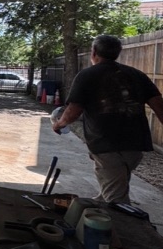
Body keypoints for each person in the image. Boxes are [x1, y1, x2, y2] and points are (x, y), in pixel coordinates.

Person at [52, 34, 163, 204]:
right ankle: (101, 206)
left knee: (116, 201)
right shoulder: (137, 75)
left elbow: (73, 110)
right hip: (135, 145)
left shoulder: (87, 75)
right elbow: (159, 106)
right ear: (117, 53)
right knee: (113, 185)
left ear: (94, 52)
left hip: (108, 145)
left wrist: (59, 124)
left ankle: (122, 229)